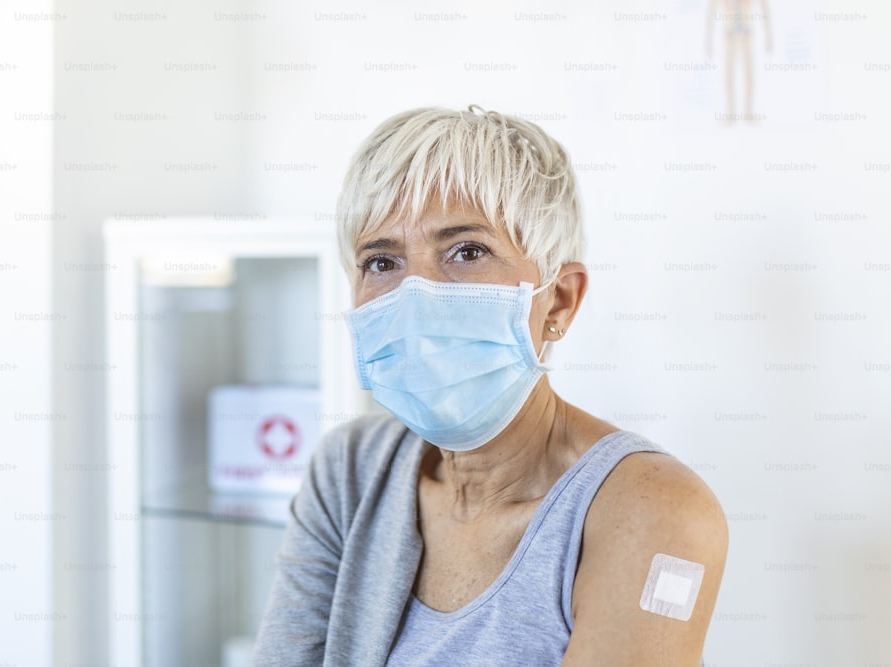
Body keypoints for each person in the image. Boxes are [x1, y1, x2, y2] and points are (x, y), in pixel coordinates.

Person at [252, 106, 728, 666]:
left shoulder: (652, 508)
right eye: (382, 261)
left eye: (468, 252)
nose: (416, 295)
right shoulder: (351, 470)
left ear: (561, 299)